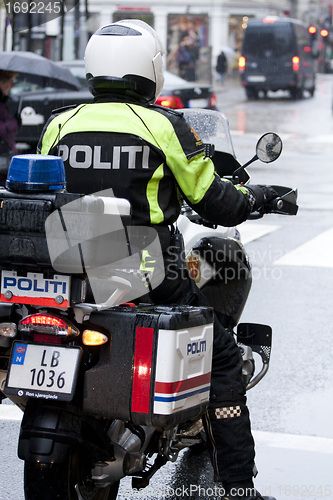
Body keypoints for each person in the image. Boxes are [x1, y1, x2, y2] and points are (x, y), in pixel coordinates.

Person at [38, 20, 279, 500]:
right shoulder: (162, 125)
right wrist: (258, 198)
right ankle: (237, 487)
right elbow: (214, 201)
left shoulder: (60, 124)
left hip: (67, 268)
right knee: (223, 357)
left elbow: (45, 193)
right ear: (151, 69)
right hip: (141, 269)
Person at [0, 70, 19, 184]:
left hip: (5, 156)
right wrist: (12, 124)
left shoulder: (4, 102)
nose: (13, 85)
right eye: (10, 81)